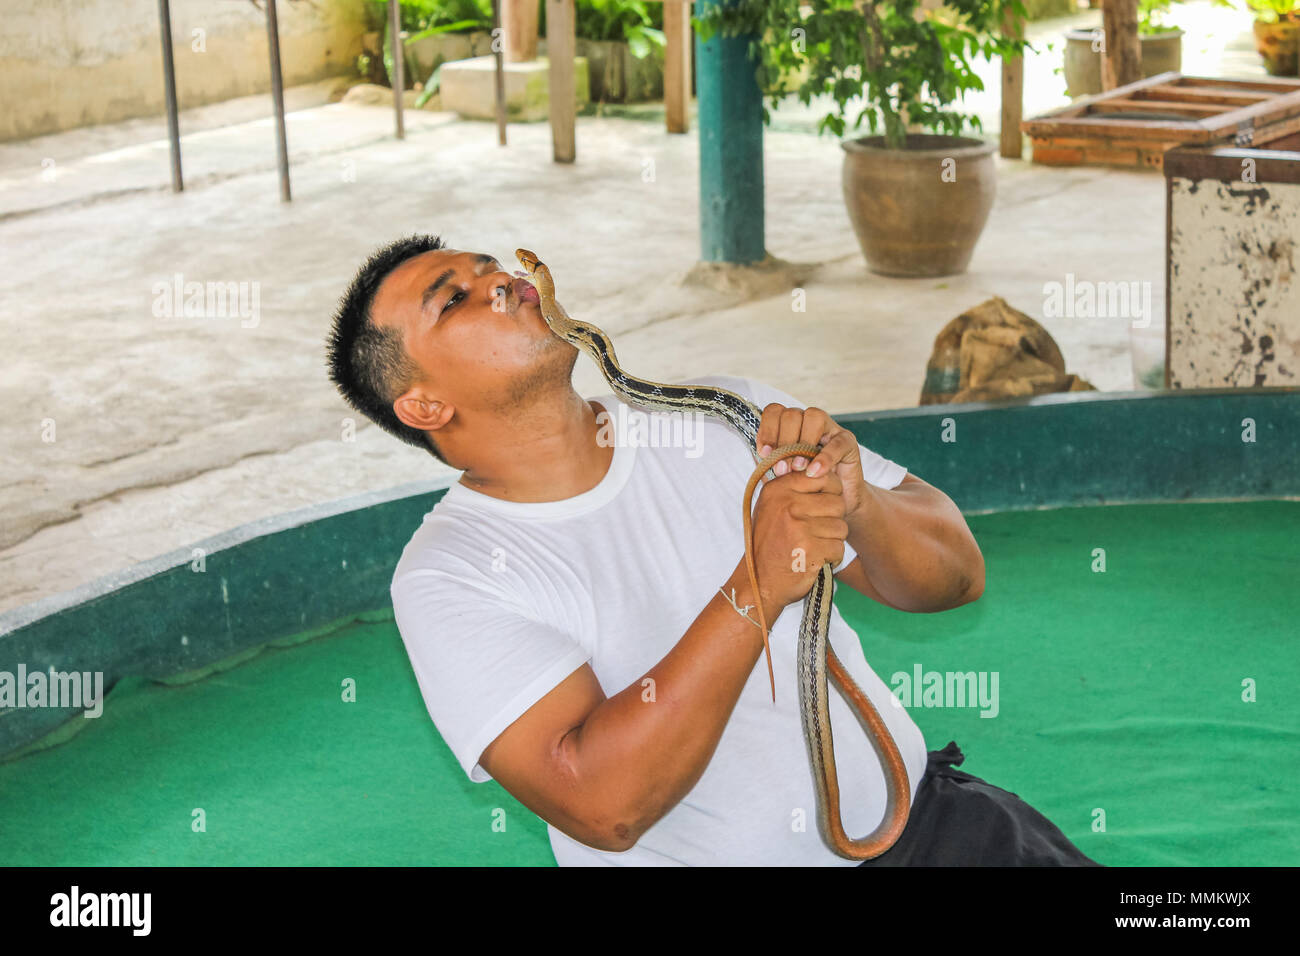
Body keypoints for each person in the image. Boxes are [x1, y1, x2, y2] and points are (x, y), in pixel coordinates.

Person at [325, 234, 1101, 867]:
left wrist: (855, 502)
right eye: (454, 298)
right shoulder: (449, 576)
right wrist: (759, 586)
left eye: (487, 264)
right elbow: (604, 806)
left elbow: (956, 578)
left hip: (925, 828)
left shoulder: (728, 415)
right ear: (424, 404)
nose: (498, 280)